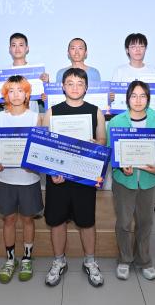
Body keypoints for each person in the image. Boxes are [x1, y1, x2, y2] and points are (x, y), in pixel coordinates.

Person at [42, 68, 107, 287]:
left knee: (87, 221)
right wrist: (52, 172)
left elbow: (102, 141)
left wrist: (94, 143)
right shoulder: (51, 112)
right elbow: (44, 146)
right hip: (58, 177)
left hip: (84, 176)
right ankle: (59, 261)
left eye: (80, 83)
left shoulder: (95, 111)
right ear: (63, 86)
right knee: (57, 221)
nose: (75, 87)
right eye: (70, 83)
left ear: (86, 87)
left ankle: (90, 261)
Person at [107, 80, 155, 281]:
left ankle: (144, 260)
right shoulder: (116, 122)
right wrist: (120, 166)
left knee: (145, 222)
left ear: (148, 99)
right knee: (124, 222)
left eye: (142, 96)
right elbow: (111, 153)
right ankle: (124, 259)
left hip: (148, 181)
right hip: (125, 181)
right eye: (134, 96)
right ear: (127, 99)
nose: (138, 100)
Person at [0, 75, 43, 283]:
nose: (15, 95)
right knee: (9, 219)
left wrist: (34, 163)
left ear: (27, 94)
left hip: (28, 179)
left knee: (28, 219)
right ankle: (10, 259)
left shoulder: (35, 118)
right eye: (11, 90)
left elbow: (38, 150)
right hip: (5, 178)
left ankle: (27, 258)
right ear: (6, 94)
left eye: (20, 90)